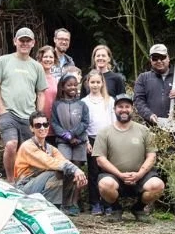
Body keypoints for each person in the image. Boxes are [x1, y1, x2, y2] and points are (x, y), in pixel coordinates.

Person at [93, 94, 164, 222]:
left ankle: (138, 209)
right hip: (114, 176)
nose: (124, 109)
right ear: (114, 109)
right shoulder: (104, 132)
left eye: (127, 106)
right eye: (120, 107)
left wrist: (139, 174)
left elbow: (152, 156)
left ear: (132, 109)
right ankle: (116, 209)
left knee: (157, 185)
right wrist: (120, 175)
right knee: (105, 184)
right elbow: (100, 159)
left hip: (140, 176)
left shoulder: (144, 130)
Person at [0, 27, 48, 182]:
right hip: (8, 113)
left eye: (28, 40)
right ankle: (10, 180)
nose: (24, 43)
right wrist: (1, 108)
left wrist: (38, 114)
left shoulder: (37, 66)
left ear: (33, 43)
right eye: (21, 40)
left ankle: (25, 183)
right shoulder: (3, 60)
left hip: (29, 116)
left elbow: (41, 93)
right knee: (11, 144)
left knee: (28, 151)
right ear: (15, 41)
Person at [14, 111, 87, 211]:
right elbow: (49, 162)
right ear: (31, 128)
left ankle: (66, 206)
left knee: (68, 170)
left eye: (45, 124)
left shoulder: (51, 148)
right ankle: (51, 209)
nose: (42, 128)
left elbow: (64, 161)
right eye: (38, 125)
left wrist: (78, 173)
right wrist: (74, 169)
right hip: (24, 188)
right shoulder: (27, 146)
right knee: (55, 172)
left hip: (40, 184)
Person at [133, 43, 175, 144]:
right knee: (152, 158)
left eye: (162, 57)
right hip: (151, 127)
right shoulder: (143, 78)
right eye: (155, 58)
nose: (159, 61)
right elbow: (138, 100)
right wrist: (149, 114)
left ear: (168, 58)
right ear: (151, 60)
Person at [50, 74, 89, 215]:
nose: (72, 87)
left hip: (79, 142)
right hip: (63, 142)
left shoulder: (82, 104)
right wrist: (66, 136)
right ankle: (63, 202)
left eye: (75, 84)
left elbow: (85, 122)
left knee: (77, 171)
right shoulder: (57, 104)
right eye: (69, 85)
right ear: (63, 86)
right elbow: (54, 123)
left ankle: (74, 202)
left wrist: (73, 134)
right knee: (64, 170)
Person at [81, 70, 115, 216]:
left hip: (107, 138)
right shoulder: (84, 102)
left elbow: (114, 122)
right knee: (93, 172)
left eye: (98, 82)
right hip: (92, 139)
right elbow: (83, 124)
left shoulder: (110, 100)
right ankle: (95, 203)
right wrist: (86, 141)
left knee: (107, 171)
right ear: (87, 83)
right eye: (92, 82)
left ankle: (108, 203)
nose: (95, 85)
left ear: (102, 83)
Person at [36, 45, 59, 145]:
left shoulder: (55, 80)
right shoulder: (35, 76)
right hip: (37, 122)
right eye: (45, 57)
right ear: (40, 58)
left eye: (51, 57)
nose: (48, 59)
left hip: (52, 123)